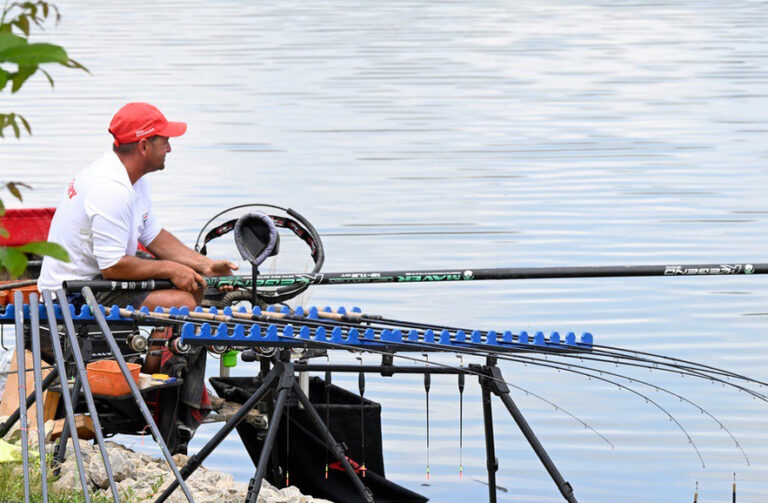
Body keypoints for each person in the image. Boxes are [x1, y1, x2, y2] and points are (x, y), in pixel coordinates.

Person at [38, 102, 238, 307]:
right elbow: (112, 267)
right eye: (165, 141)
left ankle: (158, 338)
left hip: (98, 276)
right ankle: (156, 339)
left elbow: (155, 236)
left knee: (194, 282)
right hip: (70, 293)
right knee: (182, 301)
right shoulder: (111, 188)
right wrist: (171, 269)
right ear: (144, 146)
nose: (170, 148)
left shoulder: (133, 179)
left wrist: (207, 266)